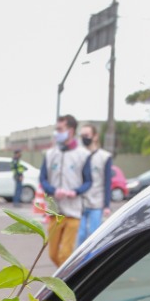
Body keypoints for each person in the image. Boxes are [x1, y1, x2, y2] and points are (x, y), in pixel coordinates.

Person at [39, 114, 91, 266]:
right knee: (53, 254)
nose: (57, 133)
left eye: (60, 129)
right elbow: (43, 179)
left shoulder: (83, 155)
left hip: (73, 212)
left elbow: (88, 181)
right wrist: (54, 190)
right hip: (55, 212)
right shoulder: (50, 154)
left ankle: (66, 286)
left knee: (65, 255)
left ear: (70, 130)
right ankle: (66, 282)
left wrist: (75, 191)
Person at [75, 123, 113, 246]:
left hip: (96, 202)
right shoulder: (78, 155)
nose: (84, 138)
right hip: (80, 202)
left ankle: (92, 261)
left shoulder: (104, 157)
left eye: (87, 135)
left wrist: (106, 205)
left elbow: (107, 182)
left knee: (93, 234)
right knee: (80, 235)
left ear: (95, 136)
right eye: (82, 135)